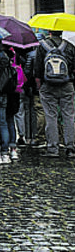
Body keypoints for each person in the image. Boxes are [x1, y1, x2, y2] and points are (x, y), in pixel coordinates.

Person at [32, 30, 75, 158]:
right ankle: (70, 147)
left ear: (49, 32)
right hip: (67, 85)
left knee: (50, 116)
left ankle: (53, 148)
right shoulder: (69, 46)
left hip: (48, 85)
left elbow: (37, 68)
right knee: (69, 116)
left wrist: (40, 84)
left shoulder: (42, 46)